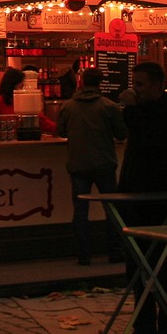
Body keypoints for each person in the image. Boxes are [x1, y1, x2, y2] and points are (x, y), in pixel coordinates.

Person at [117, 61, 167, 334]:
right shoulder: (147, 113)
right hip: (136, 199)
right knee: (136, 267)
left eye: (142, 84)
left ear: (158, 85)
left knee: (162, 269)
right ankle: (143, 327)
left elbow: (148, 144)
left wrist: (131, 111)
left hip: (159, 201)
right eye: (136, 84)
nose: (137, 89)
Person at [54, 67, 127, 266]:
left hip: (78, 164)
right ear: (100, 83)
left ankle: (84, 255)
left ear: (81, 82)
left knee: (80, 212)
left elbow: (60, 131)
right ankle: (115, 252)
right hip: (104, 163)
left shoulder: (68, 107)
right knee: (112, 209)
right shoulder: (108, 106)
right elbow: (122, 133)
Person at [0, 67, 57, 133]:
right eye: (21, 86)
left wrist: (58, 129)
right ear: (13, 84)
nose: (23, 89)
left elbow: (41, 120)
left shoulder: (23, 100)